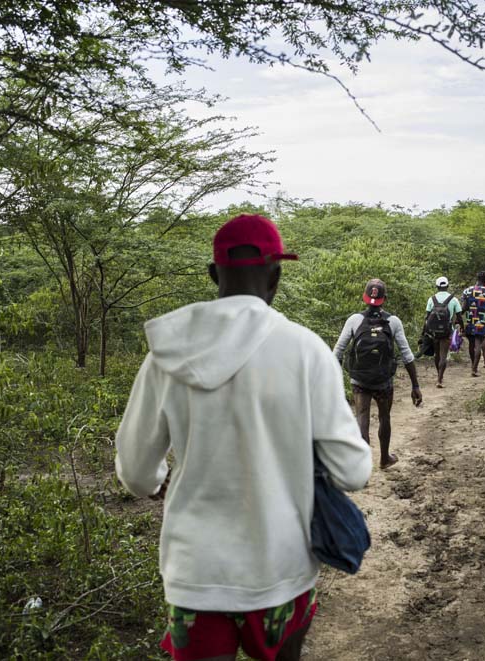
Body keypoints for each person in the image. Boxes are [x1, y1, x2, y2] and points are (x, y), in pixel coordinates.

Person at [115, 214, 372, 661]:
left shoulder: (166, 356)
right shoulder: (306, 350)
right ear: (276, 275)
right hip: (281, 568)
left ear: (214, 274)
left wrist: (160, 482)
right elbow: (352, 471)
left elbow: (137, 474)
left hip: (195, 572)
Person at [334, 278, 423, 468]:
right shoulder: (393, 322)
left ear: (365, 297)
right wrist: (415, 385)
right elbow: (407, 355)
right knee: (384, 417)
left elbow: (338, 351)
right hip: (383, 381)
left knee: (362, 419)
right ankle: (384, 459)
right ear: (385, 298)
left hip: (359, 380)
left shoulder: (354, 320)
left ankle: (363, 466)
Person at [424, 276, 463, 388]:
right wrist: (462, 328)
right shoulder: (454, 300)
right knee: (443, 355)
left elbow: (426, 317)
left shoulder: (431, 299)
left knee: (437, 355)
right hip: (447, 331)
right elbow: (459, 317)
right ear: (447, 286)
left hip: (434, 332)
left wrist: (424, 332)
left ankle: (438, 376)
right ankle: (440, 379)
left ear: (437, 286)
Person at [461, 271, 485, 377]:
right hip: (481, 322)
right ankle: (474, 369)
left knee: (471, 345)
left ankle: (473, 365)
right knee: (478, 345)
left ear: (477, 278)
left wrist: (458, 320)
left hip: (470, 321)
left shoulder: (467, 291)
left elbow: (464, 307)